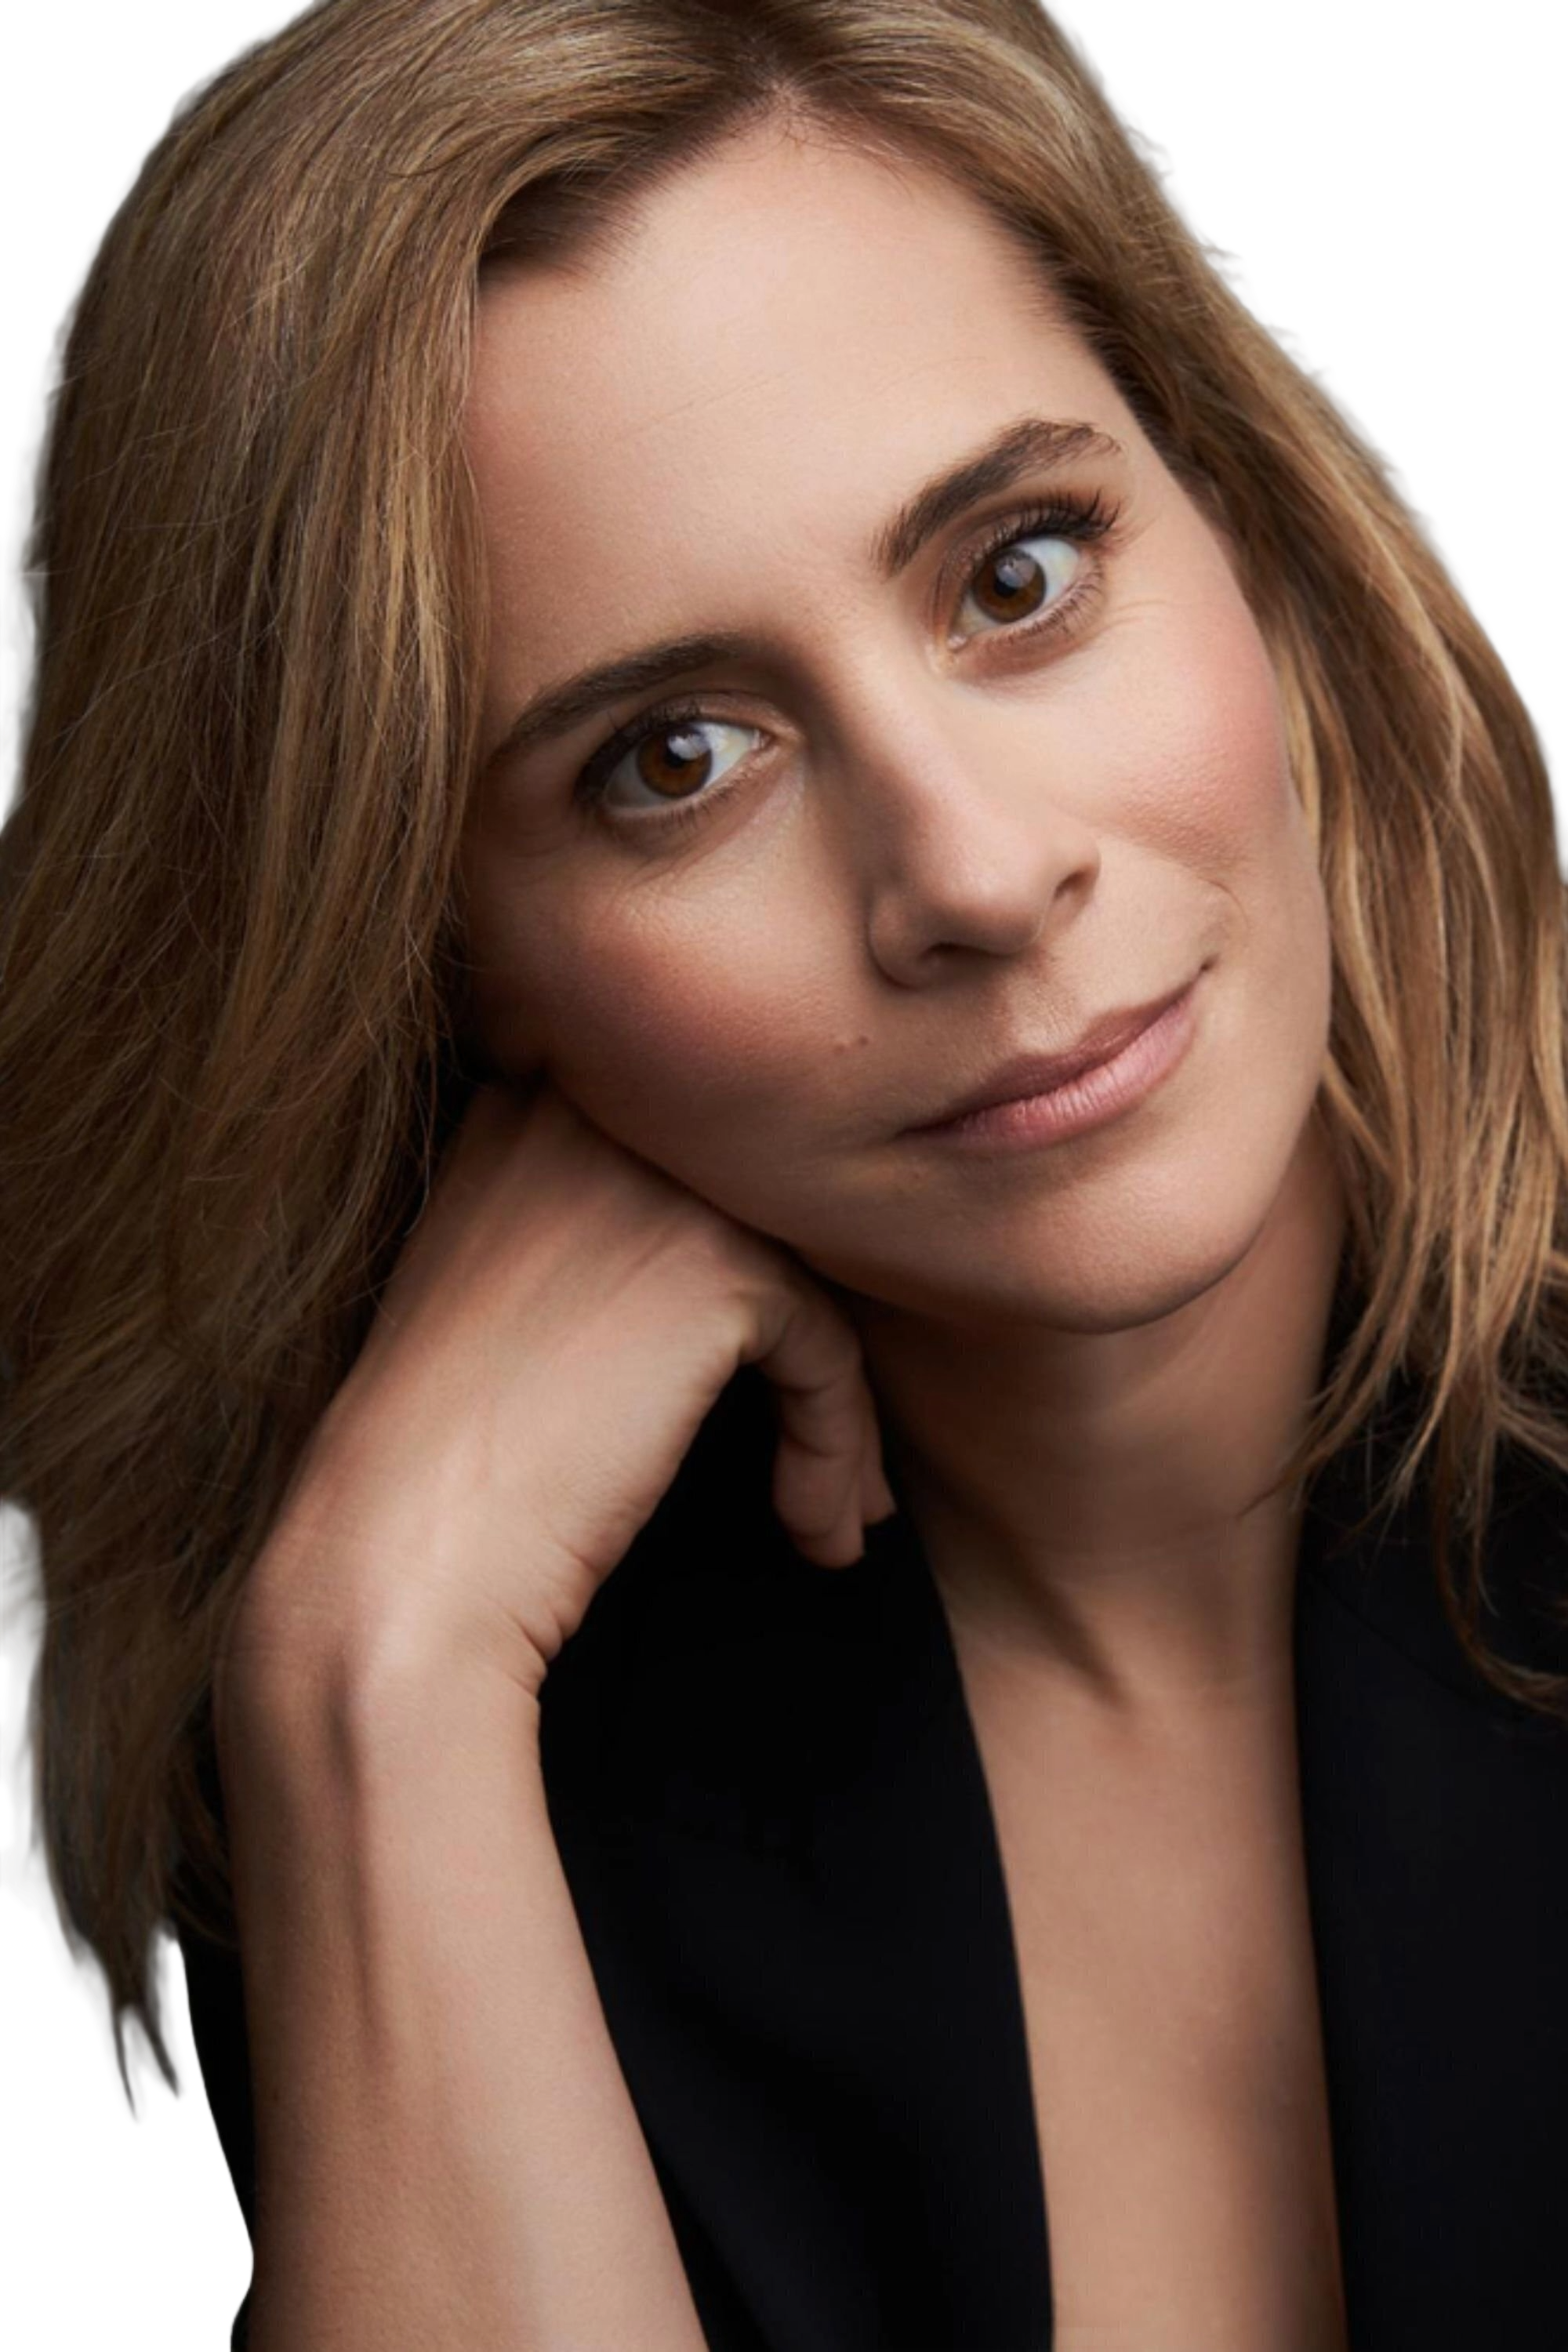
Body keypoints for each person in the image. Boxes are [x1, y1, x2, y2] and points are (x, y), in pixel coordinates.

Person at [3, 4, 1565, 2348]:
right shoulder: (474, 1780)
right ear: (444, 966)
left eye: (1018, 573)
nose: (975, 875)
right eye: (677, 760)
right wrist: (378, 1671)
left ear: (1244, 524)